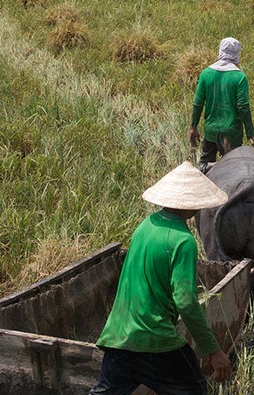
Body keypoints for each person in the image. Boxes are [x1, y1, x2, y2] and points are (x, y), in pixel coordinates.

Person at [90, 161, 232, 395]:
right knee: (194, 389)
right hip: (156, 339)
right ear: (193, 205)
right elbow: (185, 301)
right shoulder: (183, 241)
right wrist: (213, 350)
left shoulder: (146, 225)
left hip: (119, 336)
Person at [189, 37, 254, 173]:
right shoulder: (240, 77)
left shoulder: (206, 73)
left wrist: (193, 127)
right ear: (237, 55)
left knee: (204, 169)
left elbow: (198, 104)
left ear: (220, 51)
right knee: (232, 171)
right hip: (232, 134)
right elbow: (243, 107)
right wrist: (251, 133)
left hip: (211, 131)